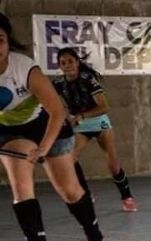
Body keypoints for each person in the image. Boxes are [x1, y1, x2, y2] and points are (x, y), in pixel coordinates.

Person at [0, 13, 113, 241]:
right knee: (21, 187)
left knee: (70, 191)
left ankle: (95, 240)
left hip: (47, 124)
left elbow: (56, 111)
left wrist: (43, 149)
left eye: (1, 40)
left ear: (8, 41)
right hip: (9, 130)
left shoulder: (25, 68)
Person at [52, 47, 137, 212]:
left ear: (77, 62)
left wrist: (82, 116)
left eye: (70, 61)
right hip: (80, 125)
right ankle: (85, 194)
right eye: (63, 63)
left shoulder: (88, 79)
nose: (68, 65)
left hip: (98, 121)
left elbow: (104, 106)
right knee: (70, 158)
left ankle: (127, 196)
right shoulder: (58, 83)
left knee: (113, 165)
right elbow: (43, 97)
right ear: (60, 66)